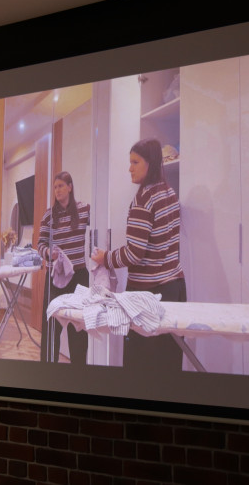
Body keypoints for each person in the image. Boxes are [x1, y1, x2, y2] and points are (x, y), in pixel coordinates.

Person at [90, 138, 186, 374]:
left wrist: (105, 258)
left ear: (150, 163)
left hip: (149, 294)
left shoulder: (144, 200)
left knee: (141, 369)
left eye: (135, 162)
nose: (129, 168)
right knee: (168, 366)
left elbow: (134, 253)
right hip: (175, 288)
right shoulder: (169, 193)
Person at [38, 171, 90, 363]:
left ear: (70, 187)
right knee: (51, 326)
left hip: (79, 276)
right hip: (56, 276)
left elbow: (99, 224)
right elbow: (40, 244)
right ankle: (48, 371)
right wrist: (48, 253)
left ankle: (79, 370)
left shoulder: (84, 210)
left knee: (79, 328)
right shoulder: (49, 215)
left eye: (61, 186)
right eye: (55, 187)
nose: (57, 190)